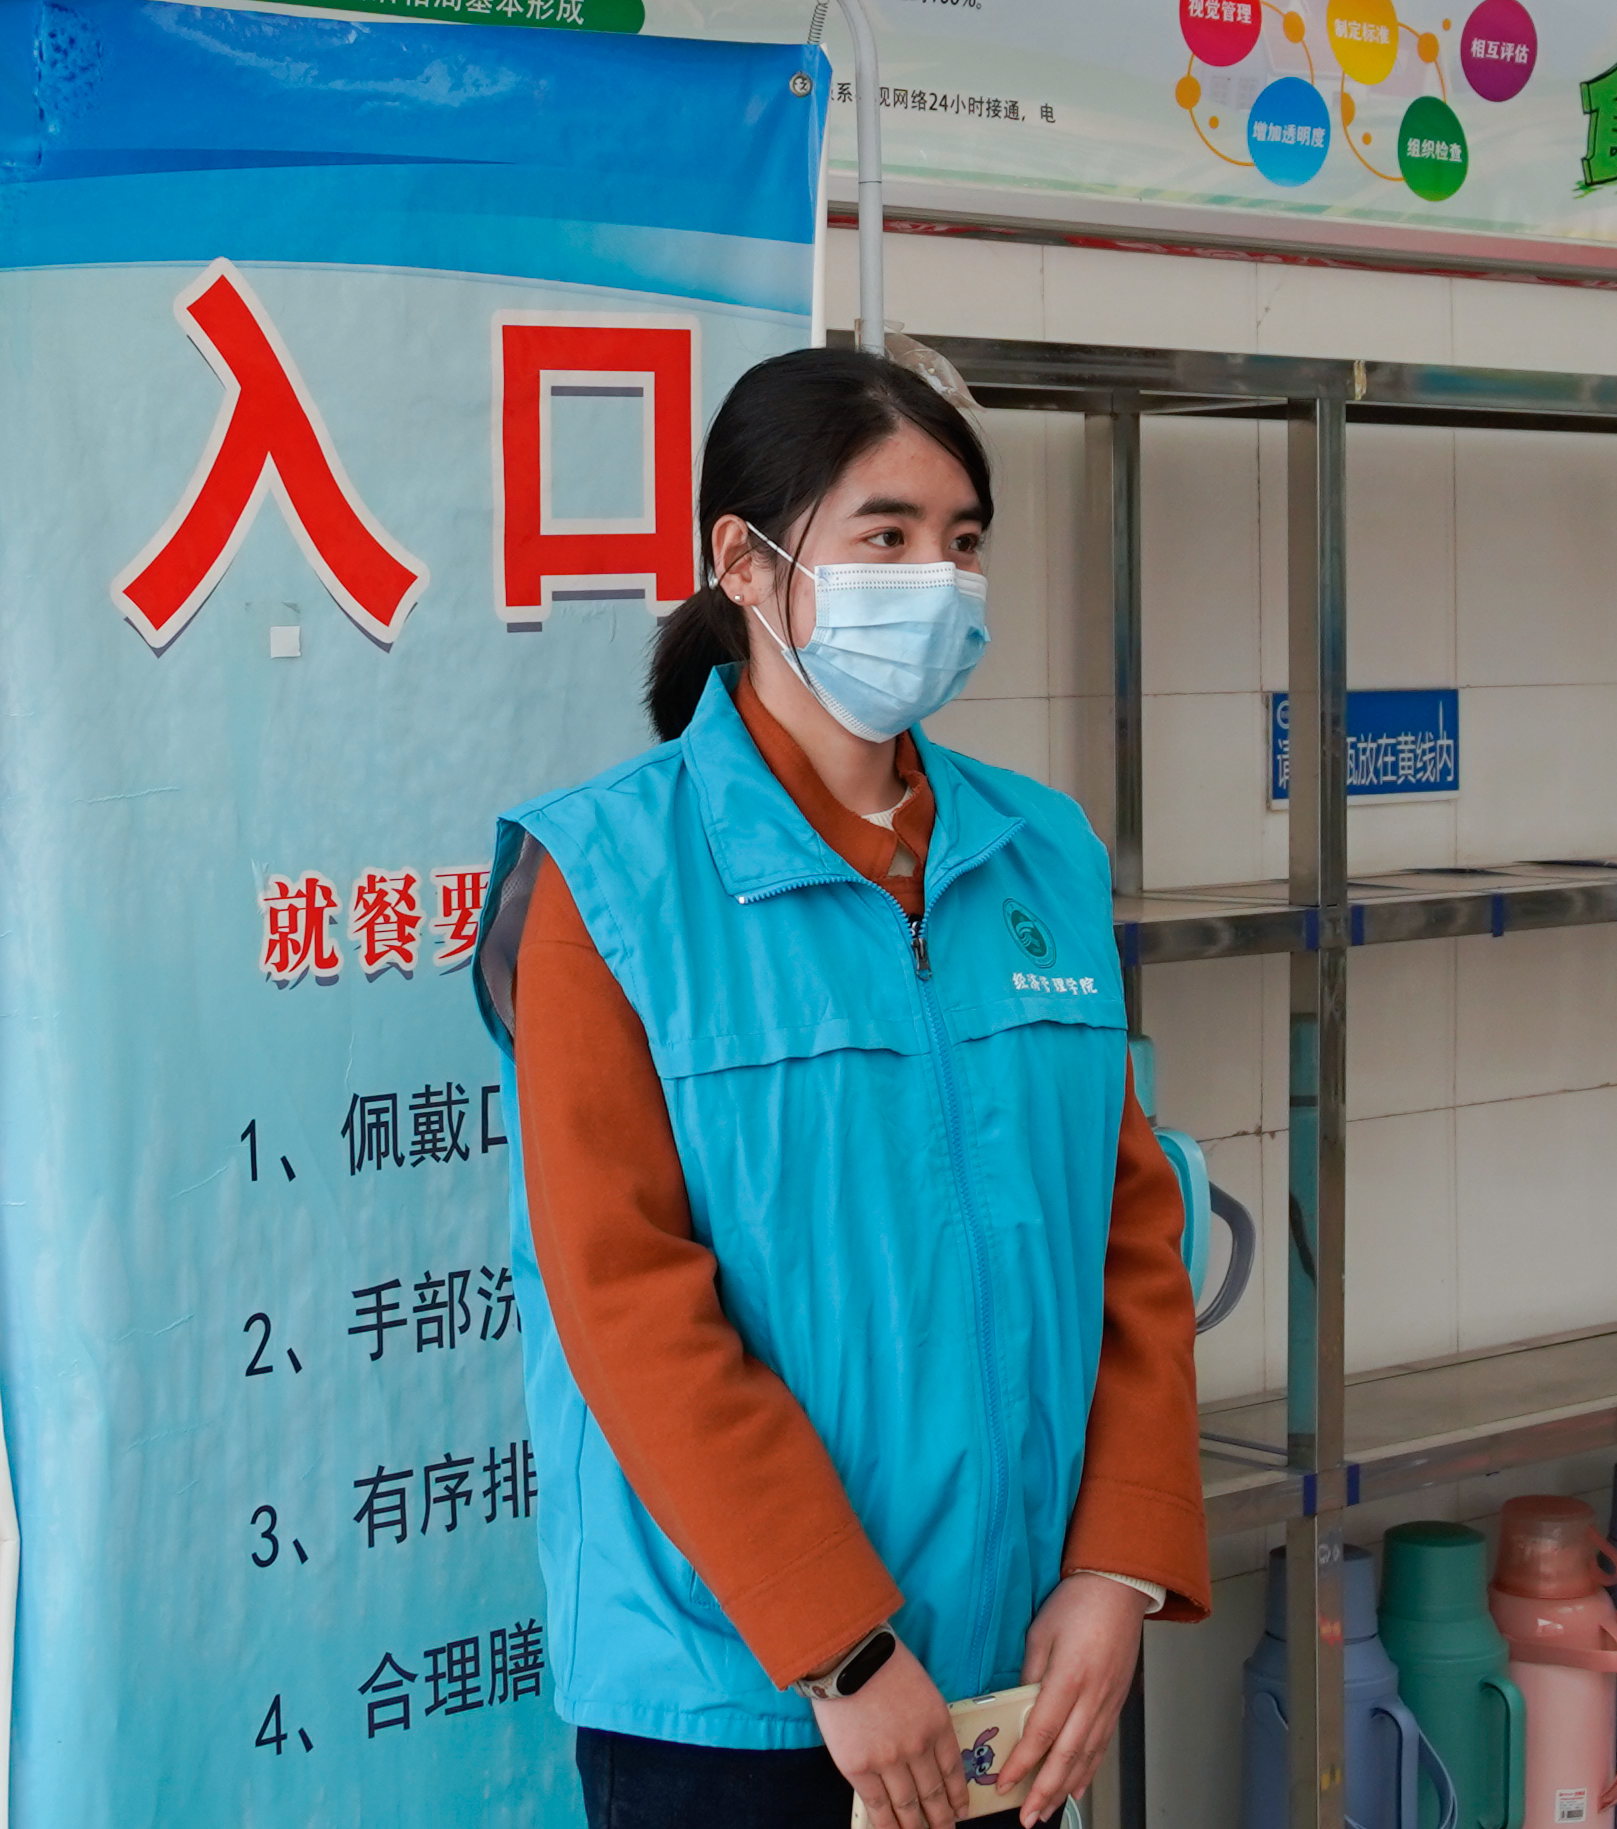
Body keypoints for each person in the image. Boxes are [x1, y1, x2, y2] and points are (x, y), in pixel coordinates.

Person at [472, 347, 1208, 1829]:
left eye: (964, 539)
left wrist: (1119, 1563)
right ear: (744, 564)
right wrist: (840, 1640)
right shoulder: (609, 879)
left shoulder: (1041, 851)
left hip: (1007, 1670)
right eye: (887, 534)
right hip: (734, 1696)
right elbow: (624, 1298)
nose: (938, 579)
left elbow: (1128, 1224)